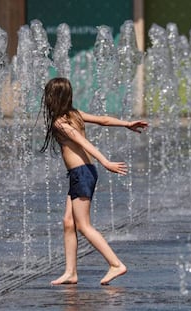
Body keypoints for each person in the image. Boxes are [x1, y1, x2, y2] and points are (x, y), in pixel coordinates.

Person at [39, 77, 148, 285]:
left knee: (83, 225)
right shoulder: (74, 114)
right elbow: (104, 120)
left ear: (53, 98)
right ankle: (71, 272)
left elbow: (82, 142)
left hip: (82, 174)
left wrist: (105, 161)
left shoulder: (61, 122)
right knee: (68, 222)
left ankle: (115, 264)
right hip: (80, 174)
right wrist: (127, 124)